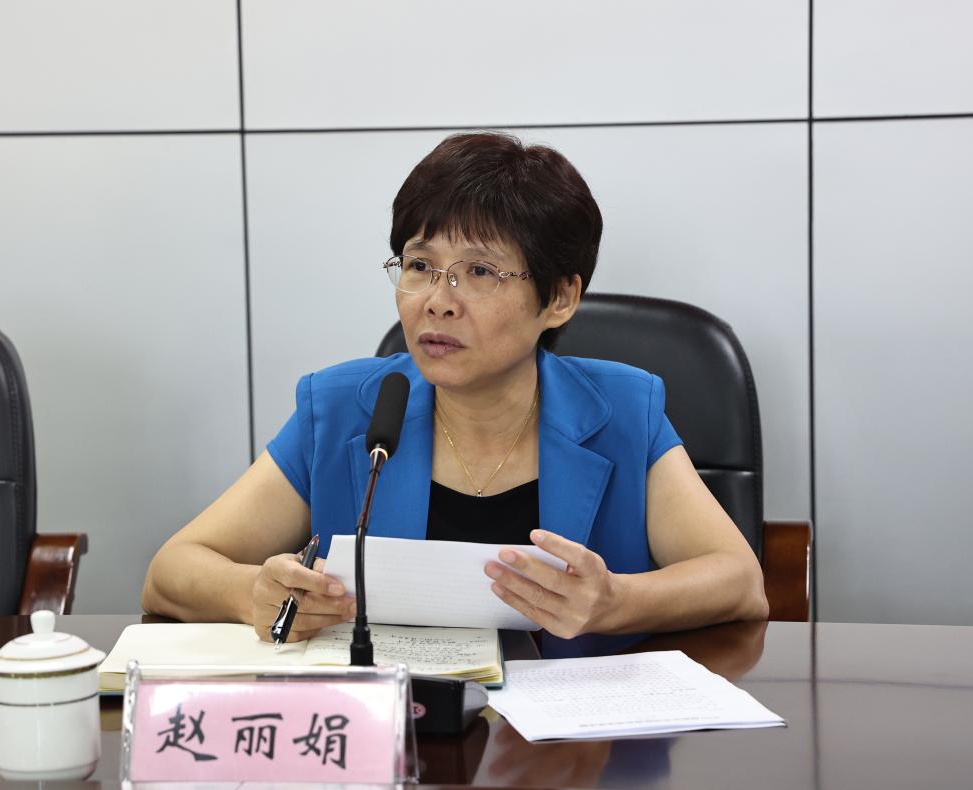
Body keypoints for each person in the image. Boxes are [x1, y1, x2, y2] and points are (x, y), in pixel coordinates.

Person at [142, 132, 768, 657]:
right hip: (399, 735)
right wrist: (254, 592)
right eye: (419, 266)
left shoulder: (624, 412)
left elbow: (740, 582)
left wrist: (616, 602)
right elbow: (172, 570)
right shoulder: (341, 409)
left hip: (578, 744)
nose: (438, 301)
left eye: (480, 272)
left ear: (559, 298)